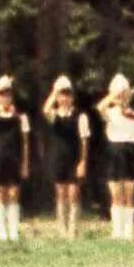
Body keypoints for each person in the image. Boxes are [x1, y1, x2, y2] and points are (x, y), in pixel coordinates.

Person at [0, 76, 31, 244]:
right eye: (1, 94)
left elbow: (25, 142)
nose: (4, 97)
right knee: (0, 194)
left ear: (12, 96)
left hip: (15, 158)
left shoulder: (20, 116)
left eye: (7, 94)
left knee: (14, 194)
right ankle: (2, 232)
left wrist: (25, 163)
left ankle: (13, 231)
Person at [98, 77, 134, 240]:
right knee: (116, 193)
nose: (122, 98)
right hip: (114, 151)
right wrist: (113, 96)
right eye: (120, 94)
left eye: (125, 94)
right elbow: (100, 107)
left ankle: (128, 231)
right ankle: (117, 231)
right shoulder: (110, 113)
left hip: (131, 151)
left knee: (129, 193)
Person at [43, 77, 91, 240]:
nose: (65, 99)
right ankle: (62, 229)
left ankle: (73, 229)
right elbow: (45, 110)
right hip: (58, 157)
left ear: (72, 97)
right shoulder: (54, 115)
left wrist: (83, 162)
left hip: (74, 158)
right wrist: (54, 91)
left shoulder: (80, 116)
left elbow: (84, 140)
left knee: (73, 193)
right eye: (62, 95)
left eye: (68, 95)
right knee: (60, 193)